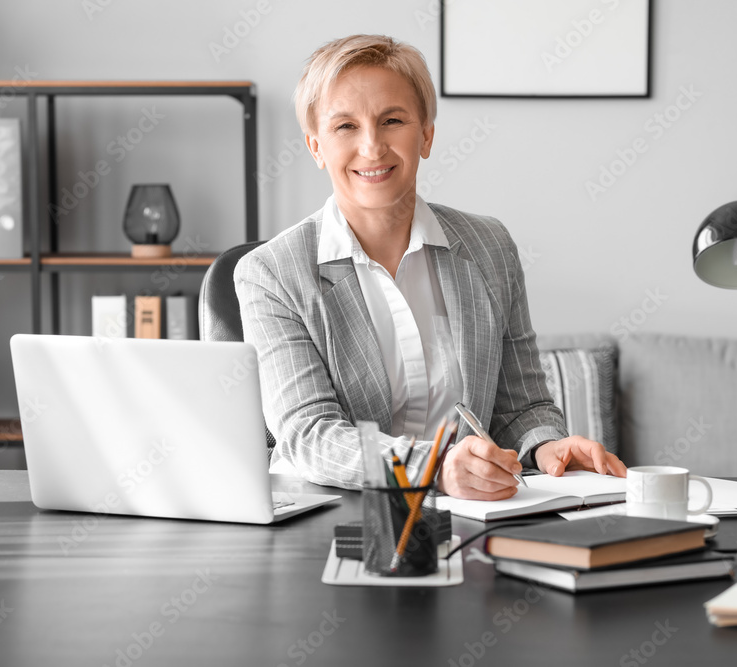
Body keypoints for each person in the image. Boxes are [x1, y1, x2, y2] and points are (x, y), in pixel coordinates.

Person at [234, 34, 626, 500]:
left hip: (468, 514)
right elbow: (310, 435)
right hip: (332, 516)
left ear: (426, 135)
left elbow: (523, 406)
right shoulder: (271, 273)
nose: (372, 146)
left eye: (392, 120)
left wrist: (548, 447)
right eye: (345, 127)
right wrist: (433, 467)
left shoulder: (490, 248)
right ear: (316, 146)